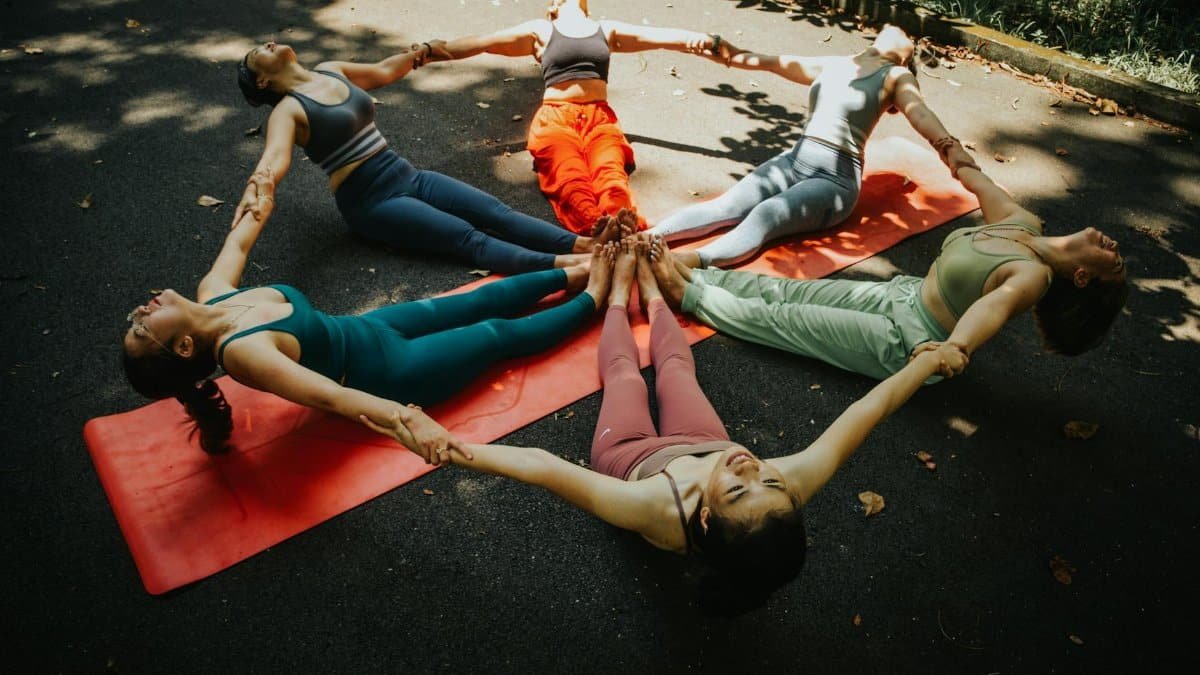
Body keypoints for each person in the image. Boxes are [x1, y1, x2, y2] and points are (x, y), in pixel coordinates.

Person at [367, 233, 967, 614]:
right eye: (771, 482)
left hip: (633, 459)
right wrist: (927, 361)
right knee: (678, 368)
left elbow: (545, 469)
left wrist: (452, 446)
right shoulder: (783, 487)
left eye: (740, 488)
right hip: (698, 443)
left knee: (627, 375)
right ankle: (656, 296)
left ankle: (620, 293)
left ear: (705, 517)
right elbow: (866, 413)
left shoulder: (655, 511)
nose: (753, 470)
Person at [122, 173, 616, 455]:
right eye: (144, 329)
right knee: (493, 334)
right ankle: (594, 294)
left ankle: (584, 268)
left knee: (476, 299)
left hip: (370, 328)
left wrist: (260, 196)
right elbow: (335, 398)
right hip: (389, 374)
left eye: (135, 321)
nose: (140, 312)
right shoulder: (245, 354)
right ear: (184, 347)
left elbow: (240, 237)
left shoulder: (213, 294)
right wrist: (408, 420)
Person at [646, 162, 1128, 382]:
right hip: (902, 295)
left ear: (1083, 277)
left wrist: (956, 348)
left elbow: (994, 307)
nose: (1115, 248)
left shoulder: (1033, 277)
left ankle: (687, 294)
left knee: (786, 324)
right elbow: (971, 171)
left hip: (912, 343)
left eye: (1115, 264)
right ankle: (698, 278)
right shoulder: (1023, 223)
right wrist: (940, 139)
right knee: (789, 294)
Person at [234, 40, 619, 274]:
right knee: (469, 240)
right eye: (258, 54)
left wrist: (420, 54)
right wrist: (260, 185)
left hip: (407, 175)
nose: (267, 44)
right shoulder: (285, 112)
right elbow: (274, 159)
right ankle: (574, 267)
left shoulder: (331, 71)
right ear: (262, 82)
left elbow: (384, 70)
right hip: (371, 201)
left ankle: (581, 245)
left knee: (495, 212)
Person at [648, 24, 979, 268]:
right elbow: (775, 62)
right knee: (727, 206)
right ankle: (645, 241)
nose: (899, 29)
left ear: (907, 57)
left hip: (834, 182)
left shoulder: (896, 77)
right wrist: (729, 54)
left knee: (765, 215)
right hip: (794, 160)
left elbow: (921, 114)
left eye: (907, 36)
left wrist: (951, 150)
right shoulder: (839, 62)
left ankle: (692, 262)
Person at [431, 0, 731, 234]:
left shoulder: (606, 29)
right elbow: (484, 42)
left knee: (611, 178)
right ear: (554, 6)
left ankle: (621, 228)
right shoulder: (542, 30)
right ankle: (596, 233)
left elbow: (659, 37)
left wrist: (701, 39)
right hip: (556, 121)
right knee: (570, 180)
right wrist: (432, 51)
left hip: (600, 120)